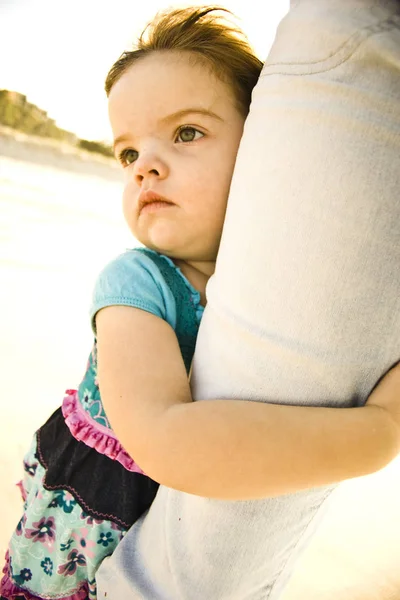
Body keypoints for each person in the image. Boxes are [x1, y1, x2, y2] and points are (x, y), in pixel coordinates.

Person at [2, 5, 399, 600]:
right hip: (77, 578)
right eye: (128, 153)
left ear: (266, 155)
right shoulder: (135, 286)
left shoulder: (276, 284)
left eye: (186, 133)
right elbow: (169, 442)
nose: (145, 169)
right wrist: (380, 432)